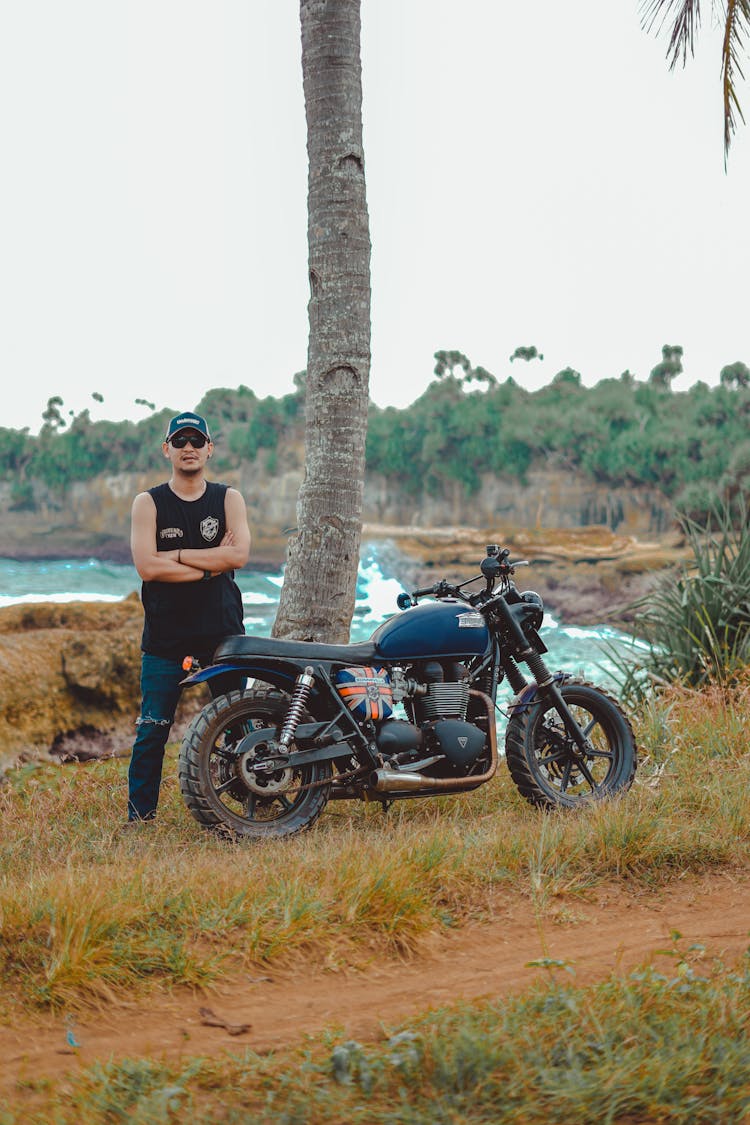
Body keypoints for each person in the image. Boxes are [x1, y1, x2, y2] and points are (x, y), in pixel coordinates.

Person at [126, 411, 251, 824]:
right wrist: (209, 566)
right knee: (152, 731)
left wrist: (176, 556)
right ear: (167, 450)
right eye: (180, 441)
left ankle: (250, 807)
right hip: (165, 638)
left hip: (223, 634)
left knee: (236, 726)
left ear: (210, 448)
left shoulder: (228, 498)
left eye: (197, 440)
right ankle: (140, 820)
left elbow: (238, 556)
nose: (189, 448)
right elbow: (147, 566)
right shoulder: (149, 503)